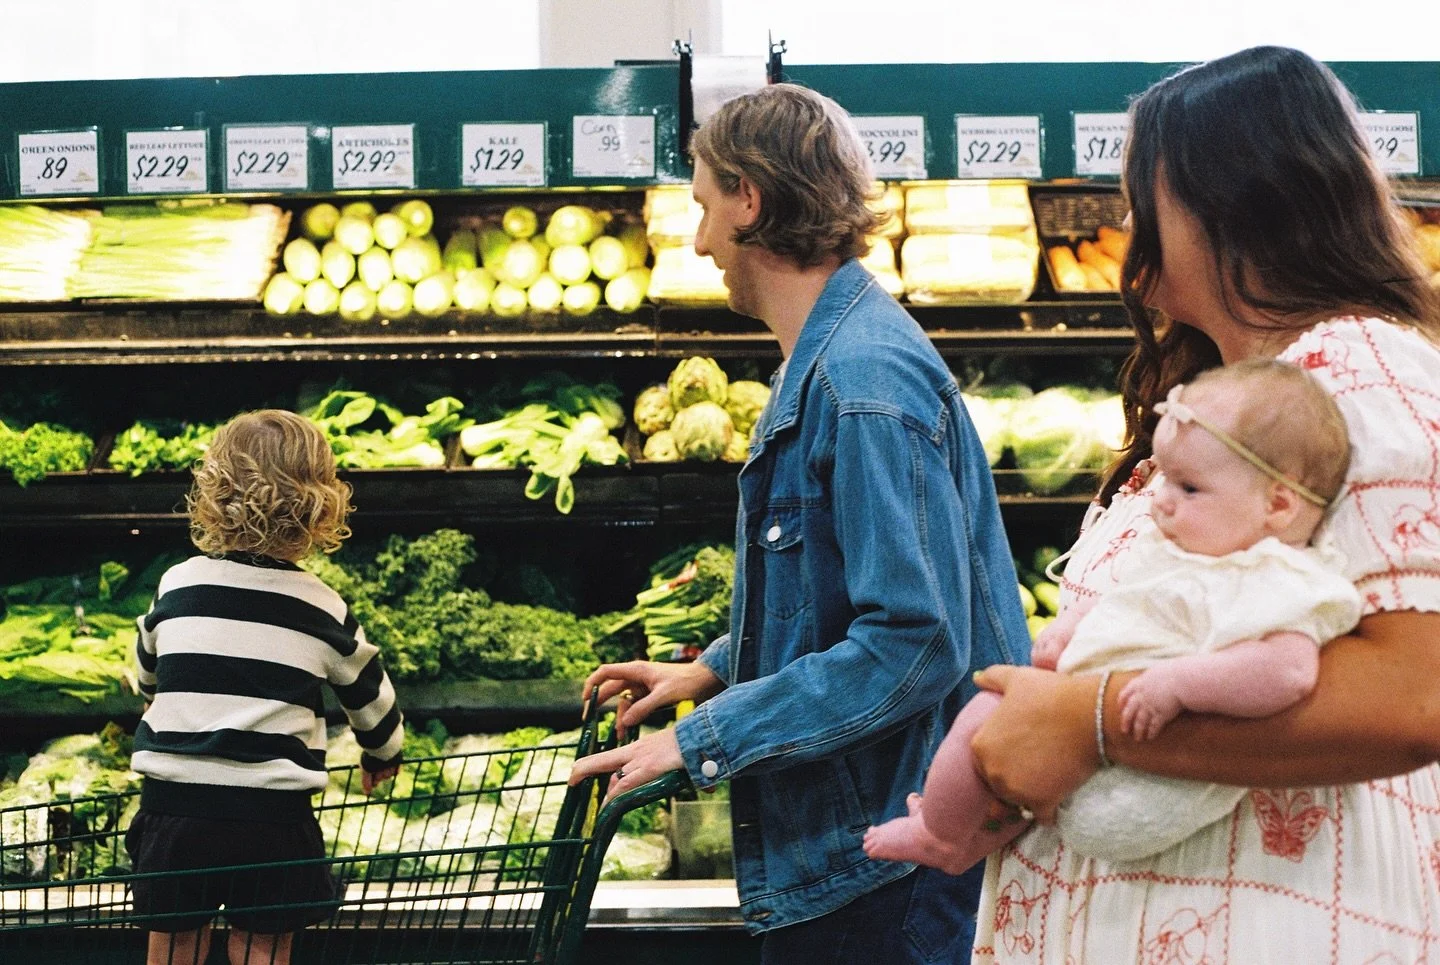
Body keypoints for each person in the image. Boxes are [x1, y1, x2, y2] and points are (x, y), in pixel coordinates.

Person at [962, 45, 1440, 962]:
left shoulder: (1358, 368)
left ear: (1234, 197)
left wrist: (1085, 720)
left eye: (1145, 194)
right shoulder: (1252, 386)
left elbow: (1415, 692)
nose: (1129, 221)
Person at [568, 83, 1031, 961]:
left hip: (890, 865)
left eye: (703, 207)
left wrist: (701, 740)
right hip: (862, 845)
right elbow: (835, 584)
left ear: (751, 198)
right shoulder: (826, 359)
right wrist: (714, 668)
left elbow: (912, 640)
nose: (699, 240)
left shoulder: (864, 386)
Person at [863, 359, 1361, 874]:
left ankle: (939, 834)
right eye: (1165, 481)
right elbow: (1132, 604)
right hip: (1092, 763)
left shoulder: (1278, 579)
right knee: (992, 716)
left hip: (1143, 789)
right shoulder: (1186, 555)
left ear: (1277, 506)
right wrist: (1073, 628)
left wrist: (1177, 685)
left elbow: (1288, 671)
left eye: (1189, 489)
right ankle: (970, 823)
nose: (1162, 503)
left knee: (987, 710)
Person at [127, 410, 404, 965]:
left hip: (175, 812)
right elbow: (372, 699)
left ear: (211, 491)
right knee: (262, 944)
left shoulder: (178, 582)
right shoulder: (321, 604)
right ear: (322, 506)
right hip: (273, 820)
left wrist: (159, 691)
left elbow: (147, 669)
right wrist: (382, 755)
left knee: (176, 937)